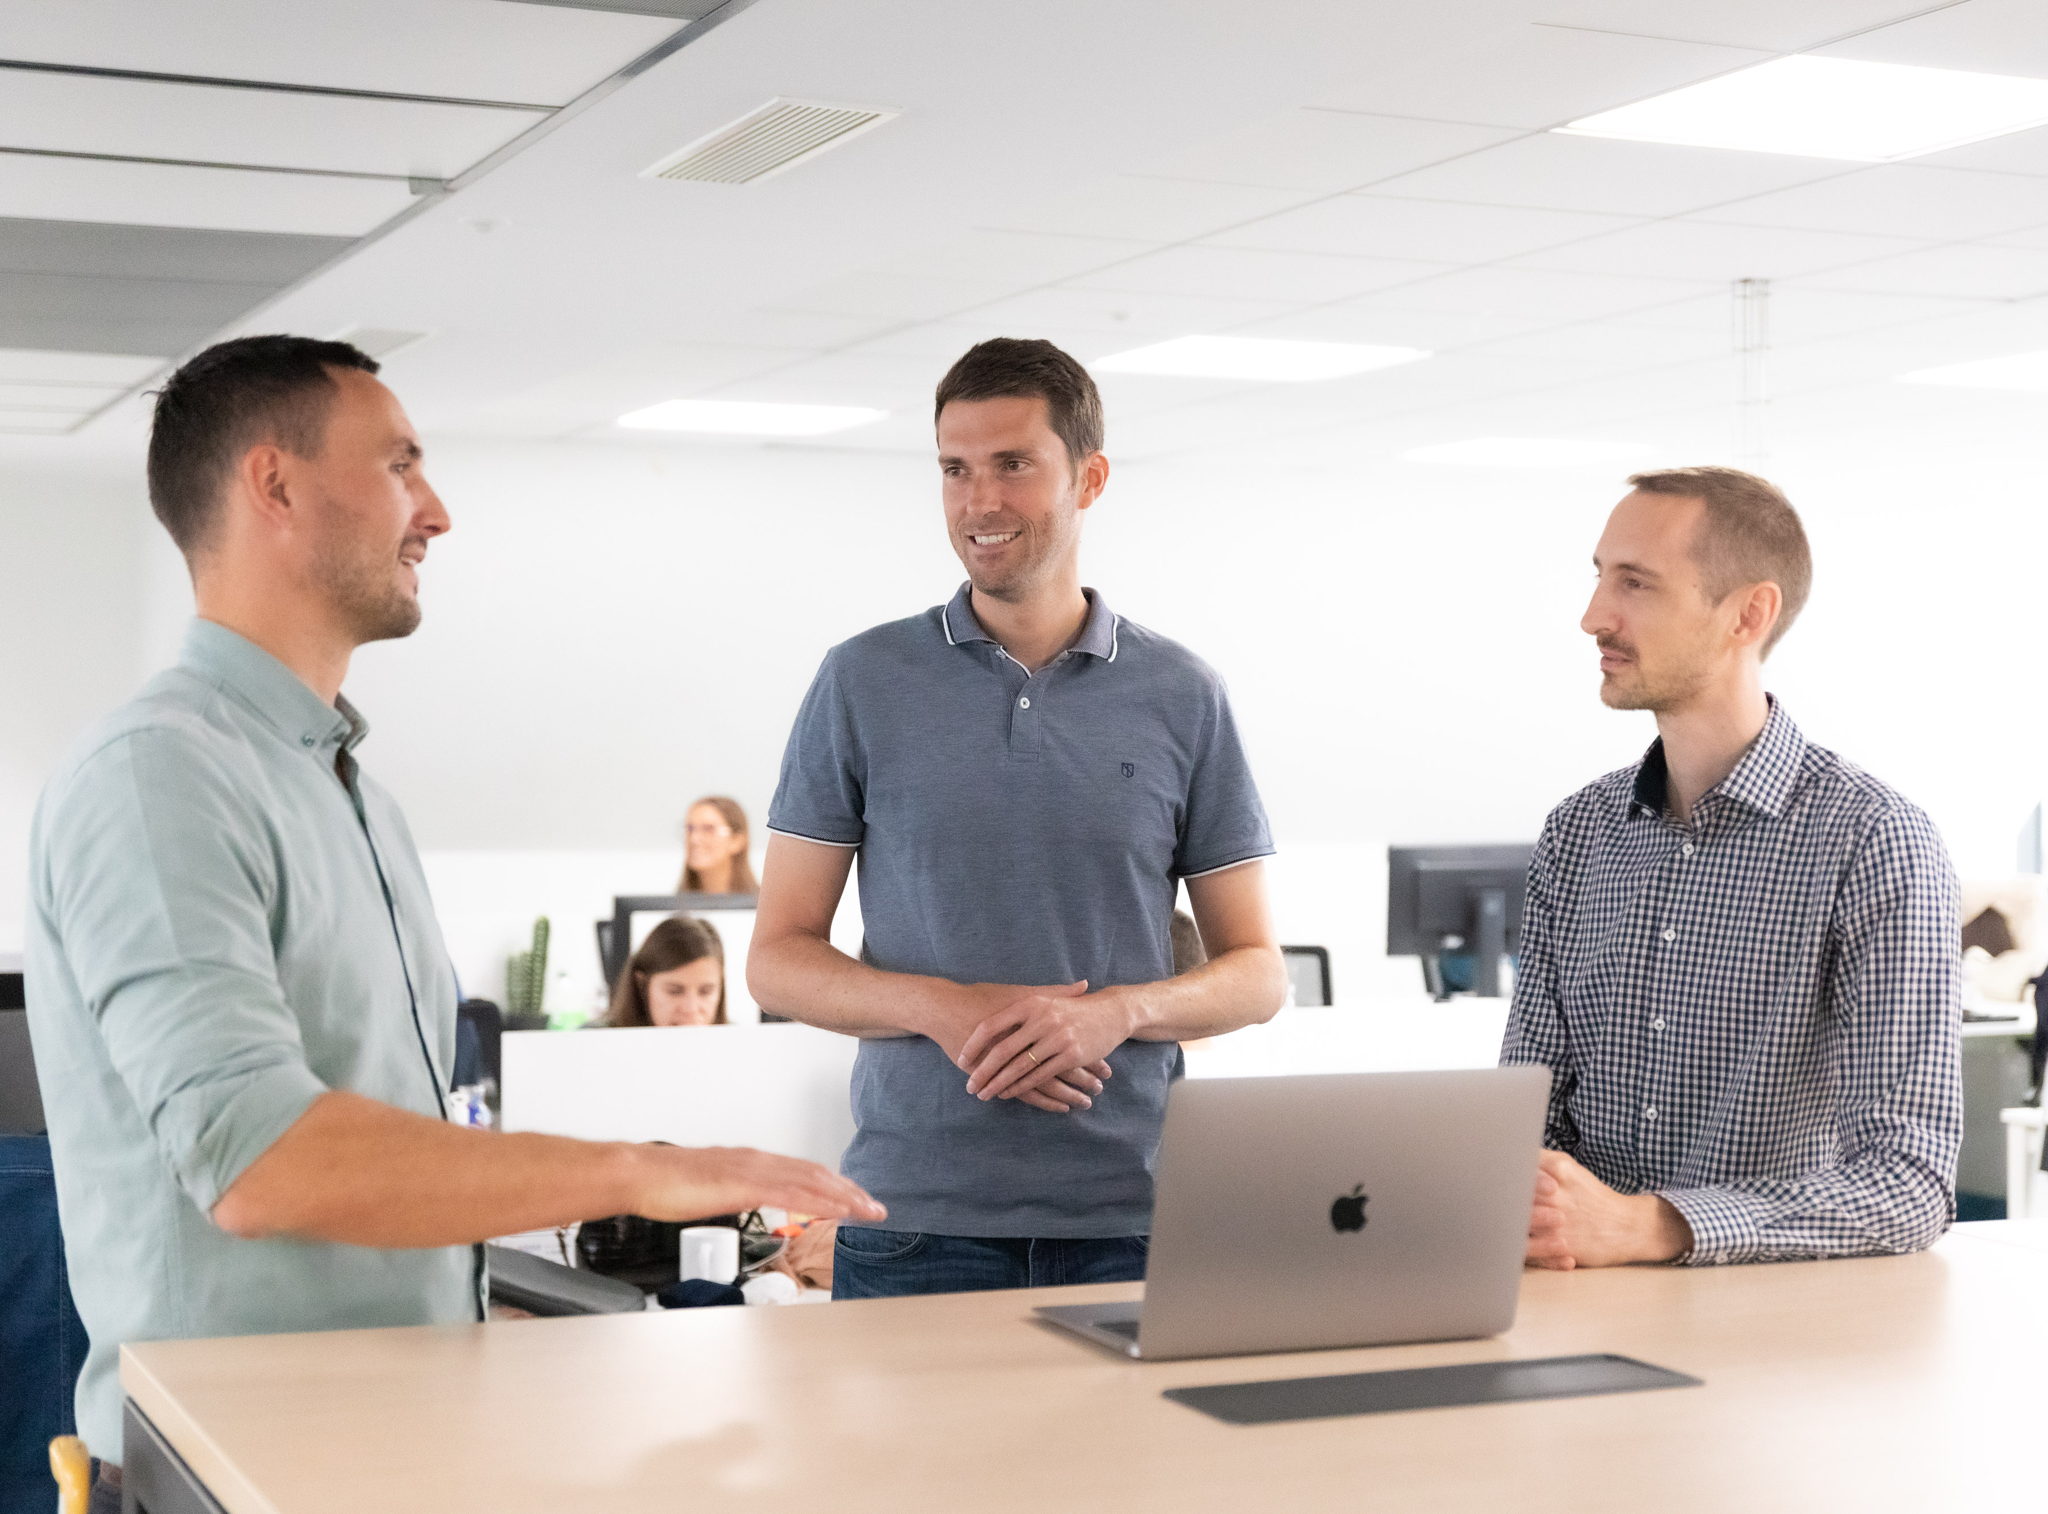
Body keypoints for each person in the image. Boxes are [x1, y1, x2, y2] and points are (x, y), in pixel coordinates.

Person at [23, 335, 882, 1506]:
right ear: (273, 484)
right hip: (235, 1474)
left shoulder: (351, 793)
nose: (435, 510)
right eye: (400, 463)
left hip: (383, 1450)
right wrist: (631, 1170)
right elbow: (261, 1161)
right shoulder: (156, 777)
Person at [749, 337, 1288, 1300]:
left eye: (1012, 466)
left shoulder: (1183, 693)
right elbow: (779, 957)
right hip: (912, 1220)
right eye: (955, 470)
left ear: (1090, 478)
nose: (978, 503)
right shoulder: (861, 681)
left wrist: (1115, 1015)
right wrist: (943, 1011)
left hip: (1136, 1220)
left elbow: (1256, 976)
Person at [1502, 466, 1960, 1270]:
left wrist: (1653, 1226)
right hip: (1579, 1308)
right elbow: (1526, 1126)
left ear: (1749, 614)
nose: (1592, 617)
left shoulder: (1874, 841)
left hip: (1775, 1341)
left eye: (1636, 584)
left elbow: (1908, 1183)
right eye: (1600, 578)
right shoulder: (1577, 836)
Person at [607, 916, 728, 1026]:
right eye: (674, 991)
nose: (691, 1009)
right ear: (641, 984)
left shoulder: (736, 1045)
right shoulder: (596, 1043)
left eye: (706, 992)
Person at [678, 795, 758, 894]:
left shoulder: (764, 906)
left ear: (736, 840)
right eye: (689, 829)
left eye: (708, 829)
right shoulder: (668, 907)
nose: (694, 839)